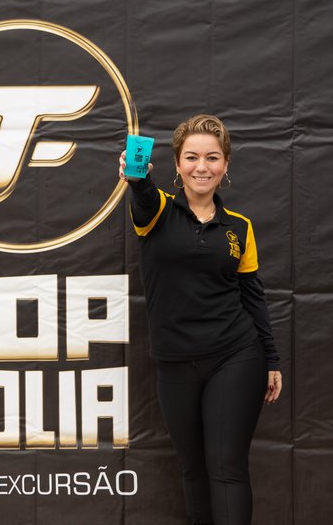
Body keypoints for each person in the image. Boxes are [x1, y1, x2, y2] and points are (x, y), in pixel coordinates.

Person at [118, 114, 282, 525]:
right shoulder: (158, 211)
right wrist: (137, 178)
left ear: (225, 164)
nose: (201, 167)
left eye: (212, 157)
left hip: (236, 354)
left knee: (226, 468)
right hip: (176, 361)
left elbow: (252, 295)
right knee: (192, 470)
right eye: (191, 157)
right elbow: (142, 196)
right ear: (177, 164)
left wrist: (271, 359)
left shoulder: (239, 228)